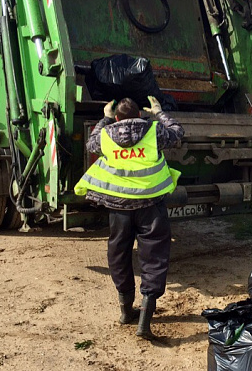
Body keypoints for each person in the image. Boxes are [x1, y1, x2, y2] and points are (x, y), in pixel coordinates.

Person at [75, 96, 184, 339]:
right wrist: (159, 112)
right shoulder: (154, 131)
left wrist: (104, 117)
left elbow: (91, 144)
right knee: (154, 258)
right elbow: (177, 132)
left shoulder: (105, 135)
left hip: (119, 208)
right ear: (141, 115)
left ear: (116, 117)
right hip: (151, 205)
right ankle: (144, 321)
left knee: (119, 255)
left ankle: (126, 311)